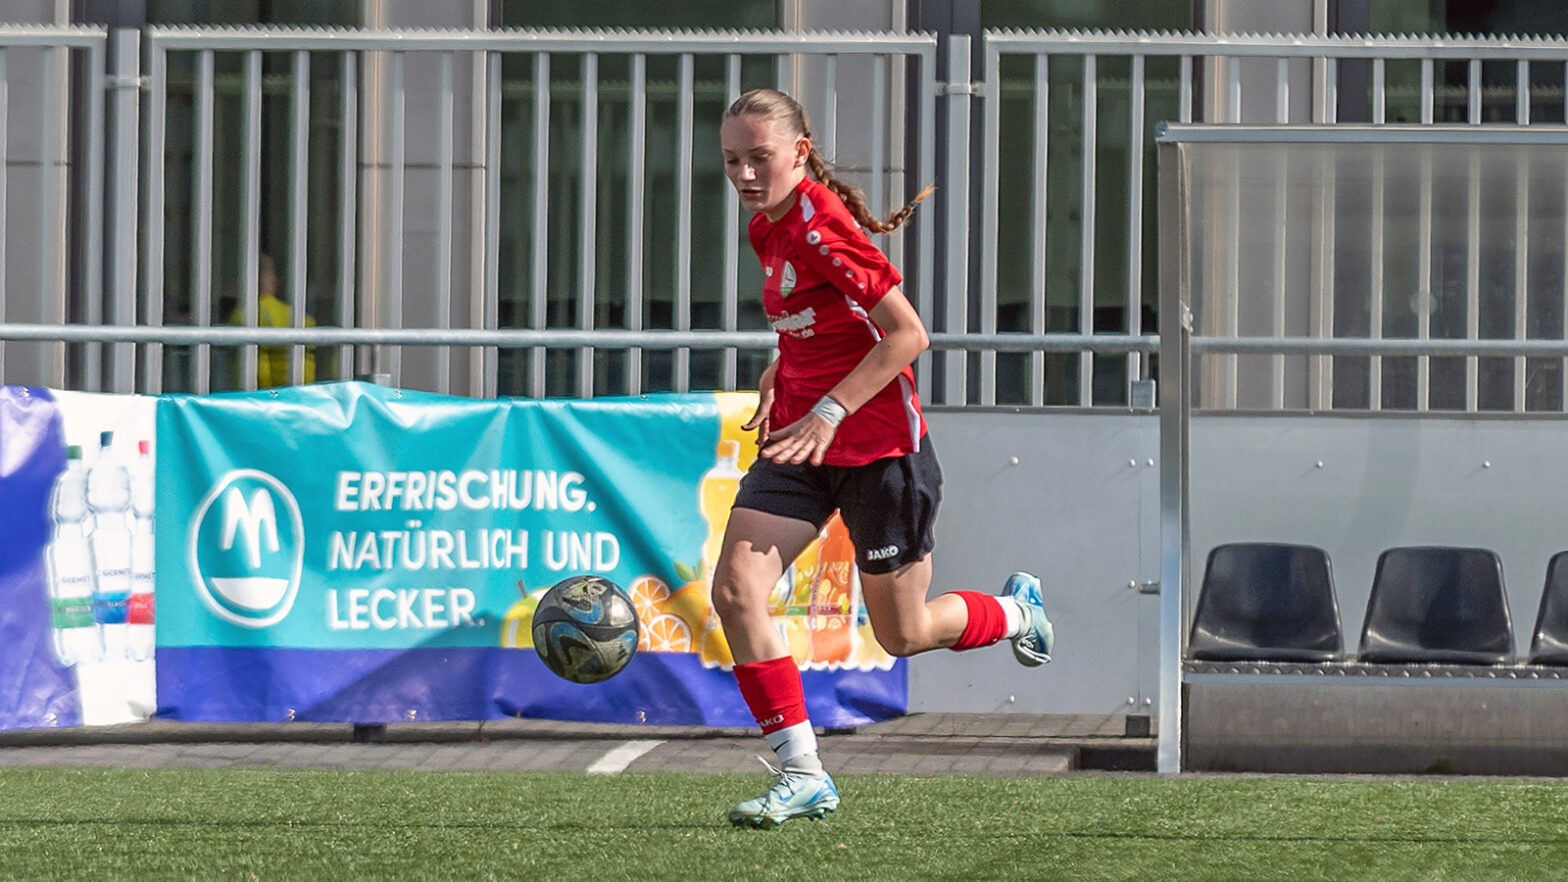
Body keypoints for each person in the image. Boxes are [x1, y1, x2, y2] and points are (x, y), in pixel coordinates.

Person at [714, 88, 1056, 829]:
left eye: (759, 157)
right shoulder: (765, 227)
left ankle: (1013, 611)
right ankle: (801, 772)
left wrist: (833, 409)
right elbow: (812, 321)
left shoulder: (823, 227)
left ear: (799, 153)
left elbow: (907, 335)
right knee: (738, 589)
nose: (744, 173)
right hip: (802, 441)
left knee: (901, 634)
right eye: (732, 160)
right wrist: (784, 371)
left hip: (878, 451)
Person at [229, 252, 316, 388]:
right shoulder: (298, 316)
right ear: (274, 281)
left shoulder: (242, 314)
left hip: (260, 393)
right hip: (301, 390)